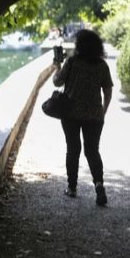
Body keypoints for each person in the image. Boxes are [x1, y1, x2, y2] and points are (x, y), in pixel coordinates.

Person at [52, 29, 113, 206]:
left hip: (70, 114)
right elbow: (108, 91)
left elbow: (57, 82)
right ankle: (99, 185)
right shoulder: (102, 65)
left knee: (73, 149)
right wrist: (103, 111)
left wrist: (57, 66)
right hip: (94, 116)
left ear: (79, 46)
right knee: (92, 151)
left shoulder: (72, 62)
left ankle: (72, 188)